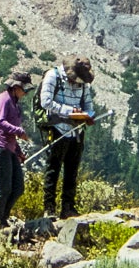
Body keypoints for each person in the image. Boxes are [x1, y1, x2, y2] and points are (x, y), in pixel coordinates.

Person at [39, 58, 96, 219]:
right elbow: (46, 102)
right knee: (53, 168)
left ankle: (68, 207)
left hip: (77, 130)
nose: (77, 83)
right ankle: (49, 208)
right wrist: (69, 111)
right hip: (58, 128)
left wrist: (88, 115)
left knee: (72, 170)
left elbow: (88, 103)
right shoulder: (53, 76)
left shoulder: (83, 83)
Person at [0, 72, 33, 228]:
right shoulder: (4, 99)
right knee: (4, 188)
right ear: (16, 87)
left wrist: (18, 152)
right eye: (24, 89)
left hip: (8, 149)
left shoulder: (14, 103)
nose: (25, 93)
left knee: (18, 188)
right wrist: (19, 131)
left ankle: (3, 218)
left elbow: (11, 134)